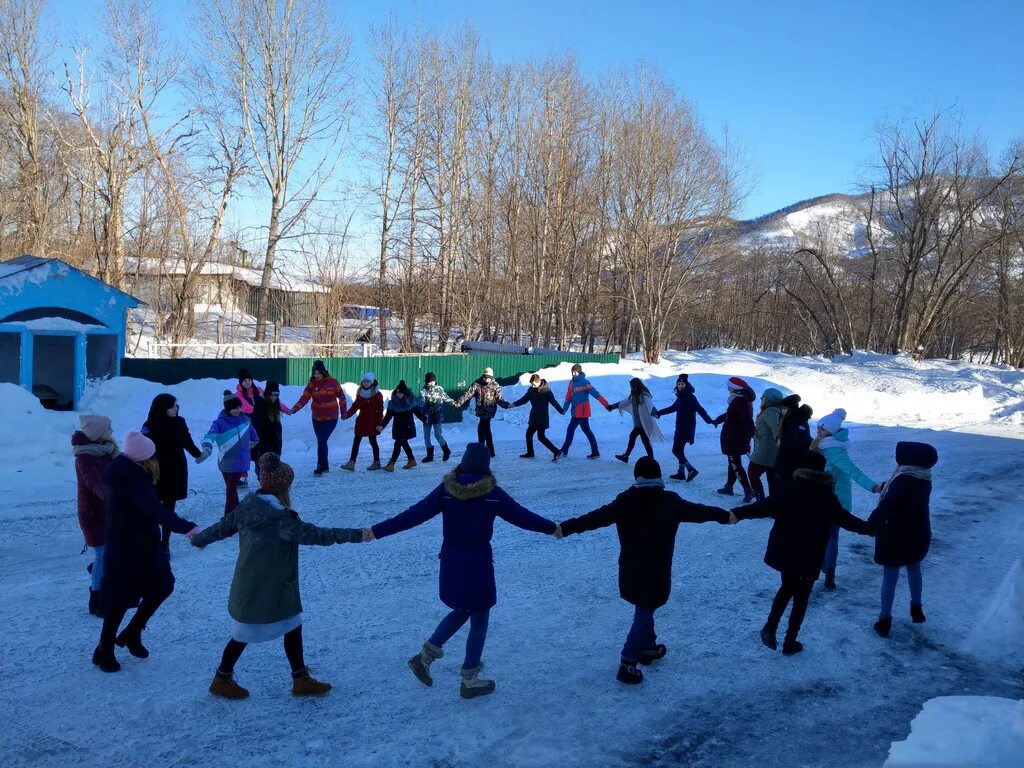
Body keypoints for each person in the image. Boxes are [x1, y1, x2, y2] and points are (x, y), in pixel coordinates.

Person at [363, 444, 558, 699]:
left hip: (452, 558)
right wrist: (551, 527)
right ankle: (469, 678)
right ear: (486, 466)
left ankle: (426, 656)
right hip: (477, 561)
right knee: (479, 616)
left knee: (464, 609)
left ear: (463, 463)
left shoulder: (447, 490)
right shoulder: (492, 493)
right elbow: (521, 516)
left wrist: (377, 530)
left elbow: (412, 515)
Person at [190, 453, 364, 699]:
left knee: (290, 625)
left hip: (253, 585)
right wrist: (359, 534)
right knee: (244, 634)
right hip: (269, 589)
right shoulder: (282, 520)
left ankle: (299, 678)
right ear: (284, 487)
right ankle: (221, 679)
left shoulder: (248, 505)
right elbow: (319, 535)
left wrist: (199, 539)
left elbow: (221, 528)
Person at [556, 457, 734, 684]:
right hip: (656, 571)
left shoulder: (625, 501)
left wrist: (566, 527)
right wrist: (724, 515)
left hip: (630, 569)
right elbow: (700, 512)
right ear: (659, 477)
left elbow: (594, 518)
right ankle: (628, 662)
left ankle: (648, 647)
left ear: (636, 477)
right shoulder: (670, 502)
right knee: (645, 609)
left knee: (645, 607)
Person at [733, 451, 874, 655]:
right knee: (802, 595)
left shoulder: (790, 489)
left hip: (786, 550)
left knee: (787, 586)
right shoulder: (826, 495)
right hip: (811, 553)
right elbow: (845, 519)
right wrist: (870, 529)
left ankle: (770, 627)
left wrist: (737, 514)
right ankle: (790, 640)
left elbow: (763, 507)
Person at [92, 432, 198, 673]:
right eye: (152, 456)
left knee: (162, 585)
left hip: (142, 544)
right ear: (143, 459)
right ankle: (104, 648)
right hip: (127, 548)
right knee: (119, 598)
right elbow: (156, 511)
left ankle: (132, 632)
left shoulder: (126, 471)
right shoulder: (132, 480)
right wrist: (188, 528)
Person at [868, 442, 938, 638]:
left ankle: (884, 619)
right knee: (914, 568)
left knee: (890, 576)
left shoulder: (903, 479)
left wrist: (871, 524)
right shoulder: (923, 477)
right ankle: (917, 607)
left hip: (895, 534)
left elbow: (889, 506)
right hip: (918, 531)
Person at [811, 408, 883, 590]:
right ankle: (825, 567)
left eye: (822, 429)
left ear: (832, 432)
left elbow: (853, 471)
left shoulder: (834, 450)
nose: (818, 431)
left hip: (836, 501)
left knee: (830, 536)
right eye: (818, 427)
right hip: (819, 499)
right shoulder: (819, 445)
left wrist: (873, 486)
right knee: (823, 535)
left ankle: (829, 572)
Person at [141, 393, 203, 548]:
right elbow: (141, 446)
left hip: (175, 470)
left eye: (176, 405)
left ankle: (165, 543)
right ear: (163, 408)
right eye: (173, 406)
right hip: (154, 471)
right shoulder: (149, 425)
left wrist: (199, 454)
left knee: (169, 508)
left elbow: (187, 442)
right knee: (152, 506)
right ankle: (151, 540)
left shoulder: (179, 422)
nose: (176, 408)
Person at [72, 414, 118, 617]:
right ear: (98, 433)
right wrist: (113, 499)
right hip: (93, 515)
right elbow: (94, 484)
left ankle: (101, 576)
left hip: (108, 513)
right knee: (102, 554)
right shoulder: (84, 458)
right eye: (108, 429)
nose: (112, 432)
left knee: (108, 554)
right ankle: (97, 601)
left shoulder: (105, 452)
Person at [197, 391, 259, 516]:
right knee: (232, 491)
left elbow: (254, 437)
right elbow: (209, 436)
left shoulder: (246, 420)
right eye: (233, 408)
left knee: (230, 491)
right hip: (225, 461)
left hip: (239, 461)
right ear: (227, 409)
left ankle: (228, 518)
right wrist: (207, 449)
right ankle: (238, 514)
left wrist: (251, 445)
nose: (237, 410)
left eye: (238, 407)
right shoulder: (219, 423)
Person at [289, 360, 347, 475]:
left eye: (318, 373)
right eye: (314, 373)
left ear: (323, 372)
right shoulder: (312, 384)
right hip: (316, 418)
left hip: (331, 418)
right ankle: (325, 466)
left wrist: (343, 412)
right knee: (322, 441)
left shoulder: (333, 382)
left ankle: (320, 465)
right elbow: (304, 398)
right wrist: (294, 409)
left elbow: (341, 397)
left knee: (321, 440)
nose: (316, 376)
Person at [655, 373, 714, 482]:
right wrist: (659, 413)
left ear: (686, 385)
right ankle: (681, 473)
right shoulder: (681, 396)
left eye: (682, 384)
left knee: (676, 450)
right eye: (678, 384)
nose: (680, 386)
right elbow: (672, 408)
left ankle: (691, 469)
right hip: (680, 427)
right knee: (679, 450)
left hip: (686, 428)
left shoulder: (690, 397)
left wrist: (709, 421)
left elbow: (700, 410)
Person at [713, 376, 757, 503]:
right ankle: (729, 487)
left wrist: (752, 436)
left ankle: (748, 490)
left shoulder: (740, 402)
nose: (728, 389)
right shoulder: (739, 400)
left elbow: (748, 421)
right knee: (732, 463)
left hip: (735, 440)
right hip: (735, 438)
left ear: (735, 388)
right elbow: (731, 415)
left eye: (729, 387)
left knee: (735, 464)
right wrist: (719, 419)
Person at [455, 367, 510, 458]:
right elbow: (468, 394)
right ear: (483, 376)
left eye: (489, 377)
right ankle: (488, 451)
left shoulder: (495, 385)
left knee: (484, 428)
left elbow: (499, 399)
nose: (487, 379)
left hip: (490, 410)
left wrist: (506, 405)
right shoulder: (477, 384)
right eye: (486, 377)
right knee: (483, 428)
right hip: (481, 410)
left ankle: (486, 450)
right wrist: (459, 402)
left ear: (492, 377)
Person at [559, 363, 611, 459]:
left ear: (579, 372)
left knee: (570, 430)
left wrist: (606, 404)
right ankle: (595, 452)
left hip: (581, 413)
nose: (573, 374)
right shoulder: (571, 383)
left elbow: (596, 394)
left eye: (575, 372)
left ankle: (564, 450)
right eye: (572, 372)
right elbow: (568, 397)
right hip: (576, 412)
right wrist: (564, 409)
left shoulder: (585, 382)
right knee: (587, 431)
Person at [608, 377, 663, 463]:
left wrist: (655, 412)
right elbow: (623, 402)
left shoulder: (644, 395)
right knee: (638, 439)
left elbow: (650, 405)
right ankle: (627, 456)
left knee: (644, 441)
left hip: (645, 423)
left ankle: (649, 459)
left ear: (636, 386)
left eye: (632, 386)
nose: (631, 388)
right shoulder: (633, 396)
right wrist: (612, 406)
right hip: (638, 424)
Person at [510, 374, 564, 461]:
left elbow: (553, 401)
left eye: (534, 384)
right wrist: (514, 404)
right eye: (531, 384)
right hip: (534, 416)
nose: (533, 386)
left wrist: (561, 410)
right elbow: (524, 399)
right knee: (529, 434)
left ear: (539, 382)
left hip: (542, 417)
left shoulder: (546, 391)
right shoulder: (531, 390)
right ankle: (531, 452)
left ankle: (556, 451)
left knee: (541, 437)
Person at [747, 388, 785, 502]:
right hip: (769, 452)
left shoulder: (771, 412)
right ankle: (772, 504)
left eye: (763, 396)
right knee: (772, 479)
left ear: (769, 399)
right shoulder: (774, 410)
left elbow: (777, 430)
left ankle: (762, 502)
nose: (761, 398)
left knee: (753, 474)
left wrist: (779, 441)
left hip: (765, 453)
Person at [341, 373, 384, 471]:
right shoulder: (360, 392)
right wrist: (347, 415)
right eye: (364, 381)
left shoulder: (377, 394)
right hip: (361, 421)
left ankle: (377, 462)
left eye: (368, 381)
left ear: (372, 382)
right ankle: (351, 462)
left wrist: (379, 424)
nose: (365, 383)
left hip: (372, 422)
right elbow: (356, 405)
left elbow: (380, 410)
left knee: (373, 442)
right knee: (356, 441)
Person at [380, 380, 422, 471]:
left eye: (401, 393)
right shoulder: (393, 403)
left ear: (405, 393)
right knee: (404, 443)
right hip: (397, 427)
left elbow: (417, 412)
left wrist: (425, 419)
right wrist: (382, 426)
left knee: (398, 444)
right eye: (397, 393)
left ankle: (391, 464)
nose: (399, 395)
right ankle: (411, 460)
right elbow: (388, 416)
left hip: (407, 427)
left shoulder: (410, 402)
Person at [251, 381, 291, 476]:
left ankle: (268, 486)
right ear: (267, 394)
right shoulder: (260, 404)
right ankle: (264, 484)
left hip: (273, 442)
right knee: (261, 467)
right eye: (272, 395)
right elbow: (256, 425)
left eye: (276, 395)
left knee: (272, 468)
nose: (274, 397)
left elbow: (277, 425)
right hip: (262, 443)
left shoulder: (275, 404)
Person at [774, 395, 813, 485]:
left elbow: (800, 446)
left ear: (791, 409)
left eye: (785, 408)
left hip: (792, 467)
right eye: (782, 408)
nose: (782, 411)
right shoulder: (788, 421)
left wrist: (783, 468)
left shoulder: (798, 423)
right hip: (786, 465)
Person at [235, 369, 262, 487]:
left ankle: (261, 476)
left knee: (258, 452)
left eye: (249, 380)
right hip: (245, 426)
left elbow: (272, 402)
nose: (247, 382)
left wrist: (286, 410)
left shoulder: (258, 391)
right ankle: (240, 478)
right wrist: (260, 409)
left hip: (259, 425)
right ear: (241, 382)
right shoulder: (238, 395)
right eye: (245, 381)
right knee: (244, 452)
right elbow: (247, 408)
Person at [419, 372, 455, 463]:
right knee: (426, 436)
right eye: (428, 382)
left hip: (437, 416)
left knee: (437, 434)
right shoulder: (424, 390)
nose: (430, 384)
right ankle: (429, 456)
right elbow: (421, 402)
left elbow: (446, 398)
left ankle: (446, 450)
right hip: (426, 416)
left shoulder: (440, 389)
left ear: (435, 381)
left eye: (431, 382)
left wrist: (454, 403)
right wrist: (417, 408)